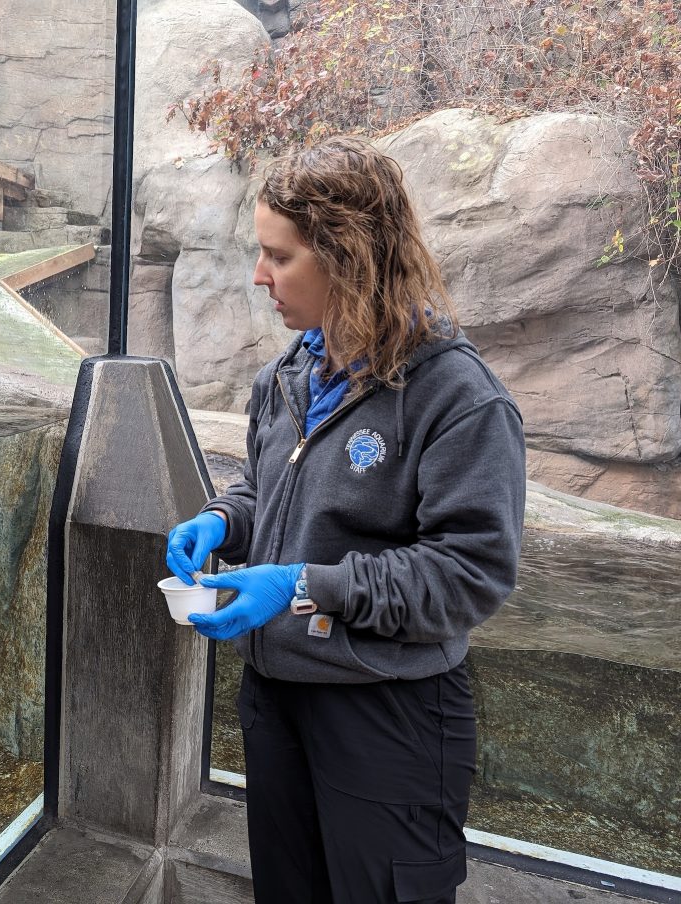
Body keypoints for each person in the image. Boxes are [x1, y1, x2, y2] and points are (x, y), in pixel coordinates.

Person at [166, 137, 525, 904]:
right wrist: (224, 521)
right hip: (276, 695)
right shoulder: (288, 373)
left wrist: (305, 584)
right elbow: (270, 489)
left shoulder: (458, 398)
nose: (259, 276)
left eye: (280, 256)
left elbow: (471, 574)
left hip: (387, 713)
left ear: (349, 256)